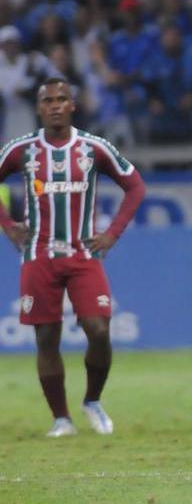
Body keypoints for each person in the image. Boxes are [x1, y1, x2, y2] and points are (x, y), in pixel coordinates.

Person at [0, 77, 146, 437]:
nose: (55, 105)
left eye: (62, 99)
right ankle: (61, 419)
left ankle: (92, 400)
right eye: (48, 100)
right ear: (39, 108)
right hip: (39, 255)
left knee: (98, 329)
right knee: (46, 337)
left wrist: (112, 234)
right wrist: (6, 224)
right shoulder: (22, 150)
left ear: (72, 106)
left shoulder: (94, 148)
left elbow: (135, 186)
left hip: (83, 254)